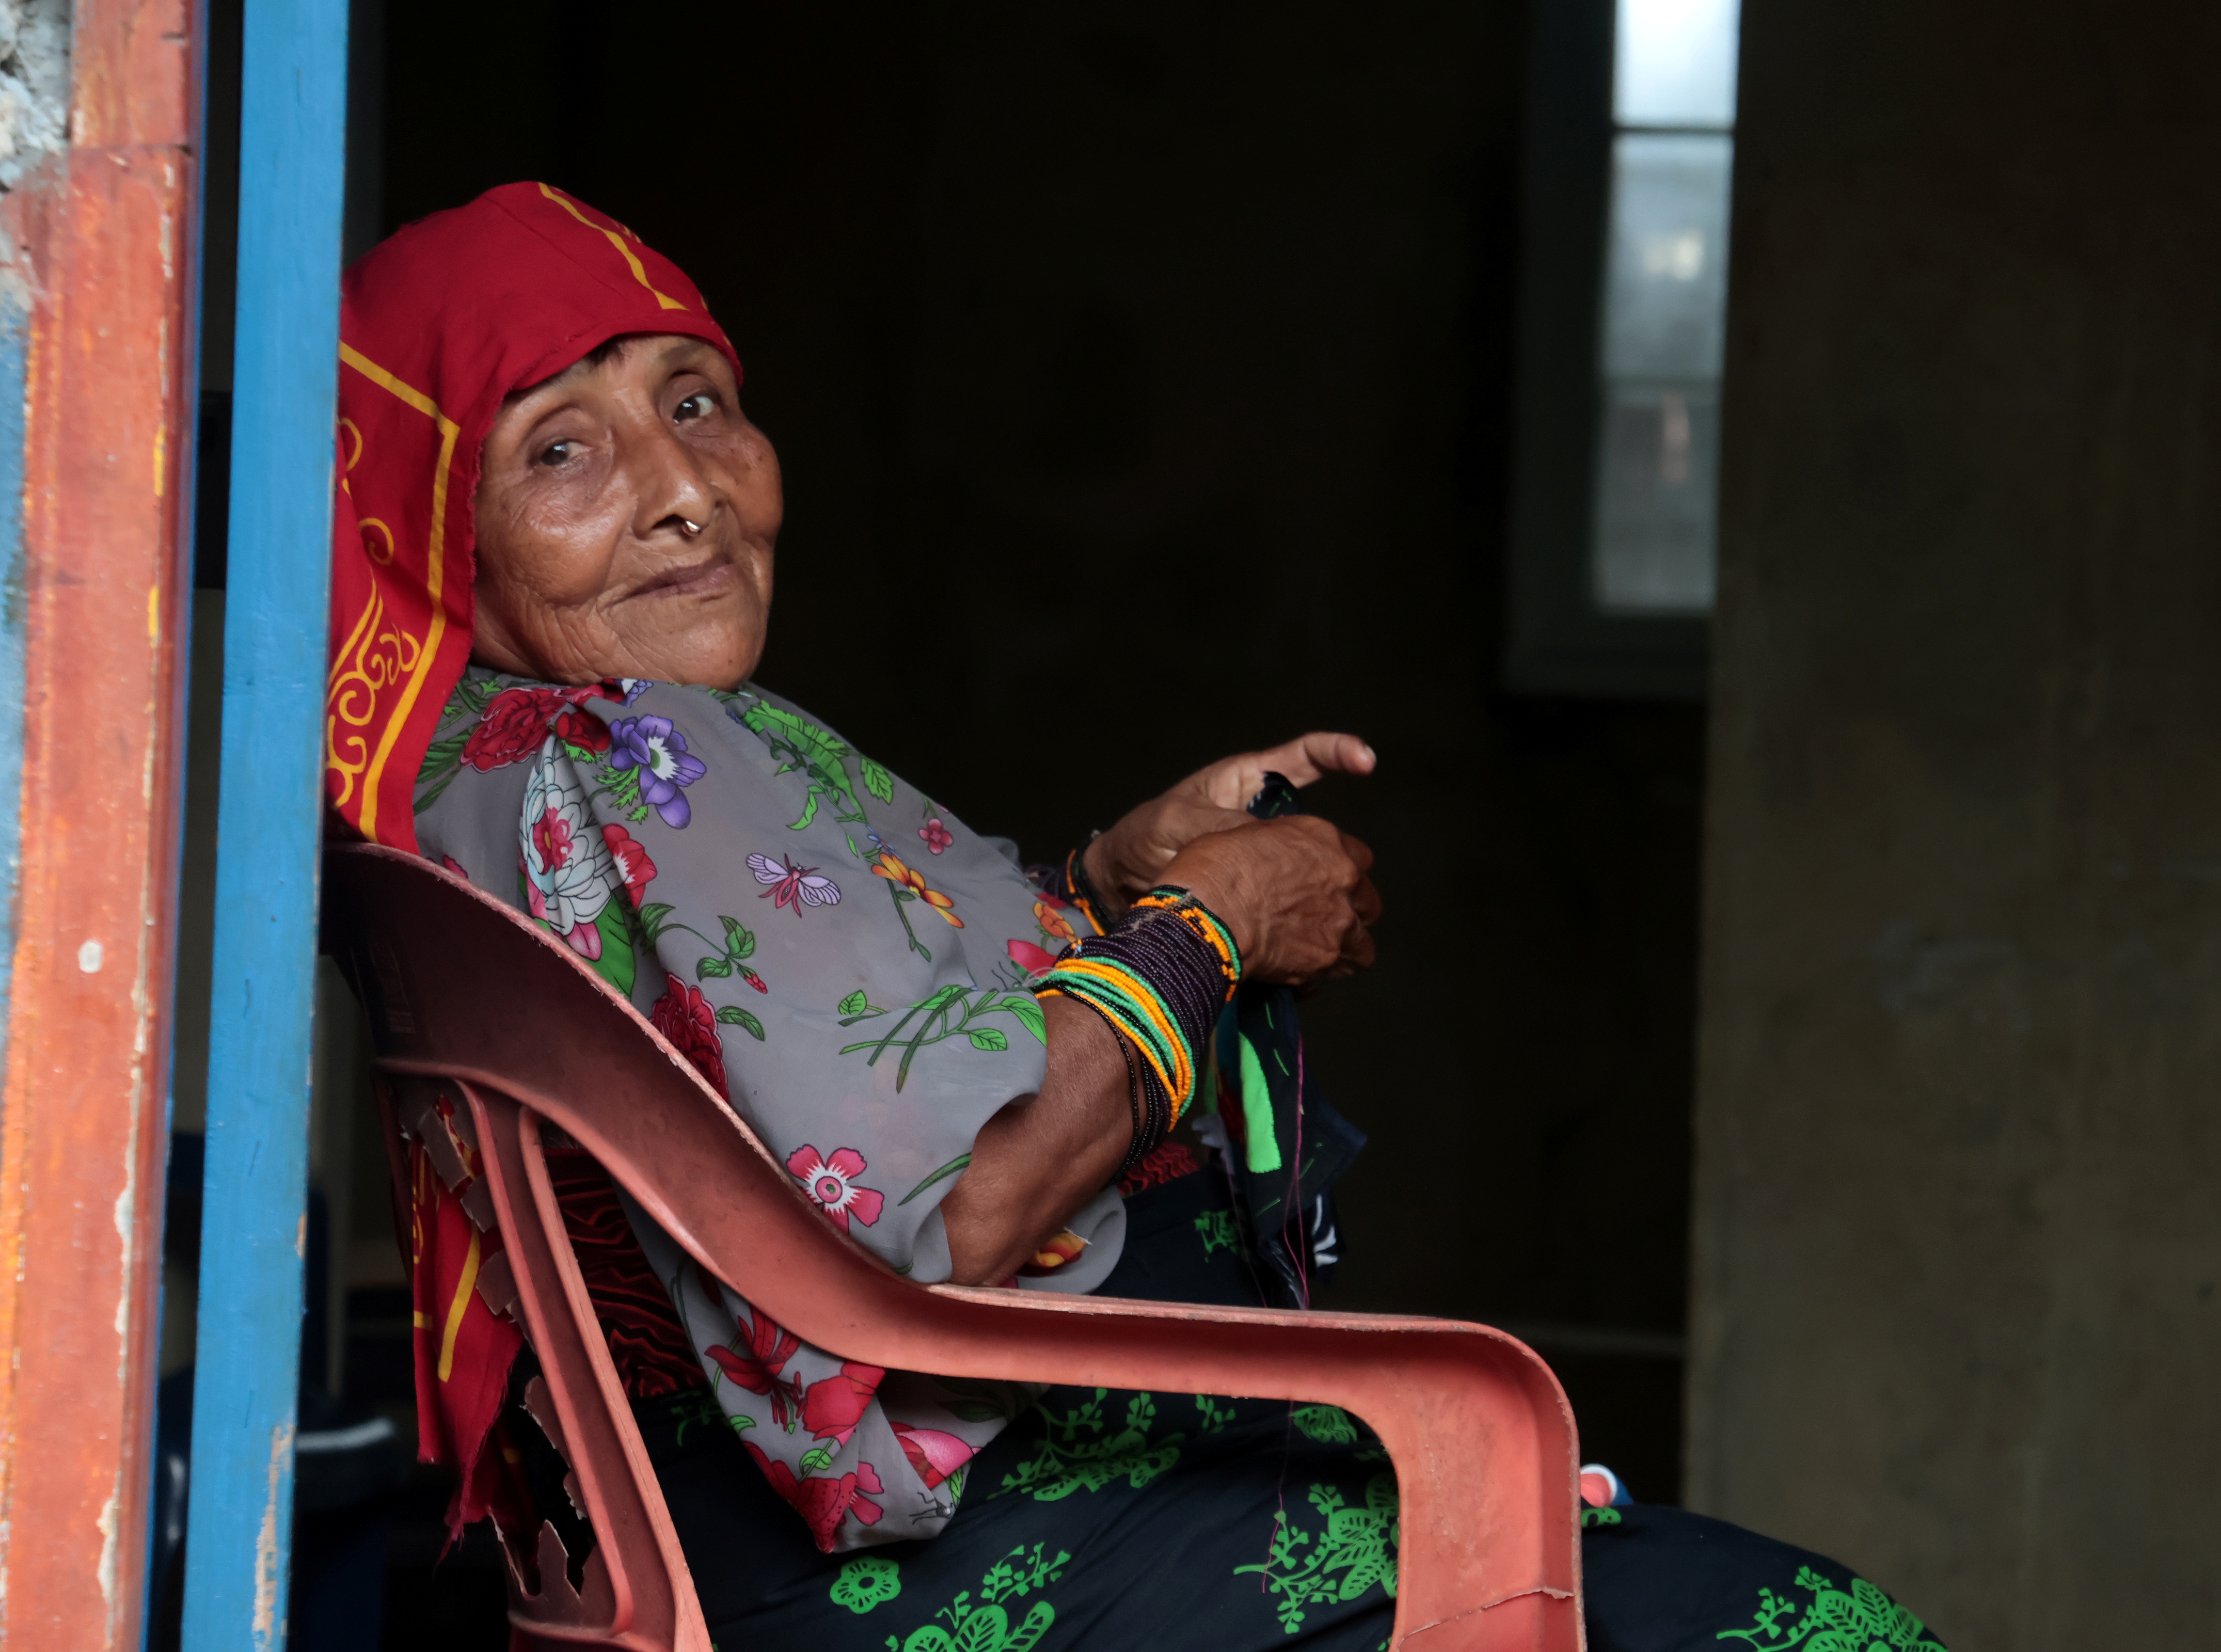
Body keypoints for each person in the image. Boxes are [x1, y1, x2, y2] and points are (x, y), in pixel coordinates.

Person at [328, 183, 1946, 1651]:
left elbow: (819, 1048)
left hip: (710, 1548)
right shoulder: (641, 747)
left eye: (699, 405)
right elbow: (961, 1209)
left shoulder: (470, 770)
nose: (684, 490)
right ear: (435, 517)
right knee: (1801, 1627)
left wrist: (1106, 885)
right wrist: (1211, 920)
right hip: (956, 1553)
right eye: (562, 448)